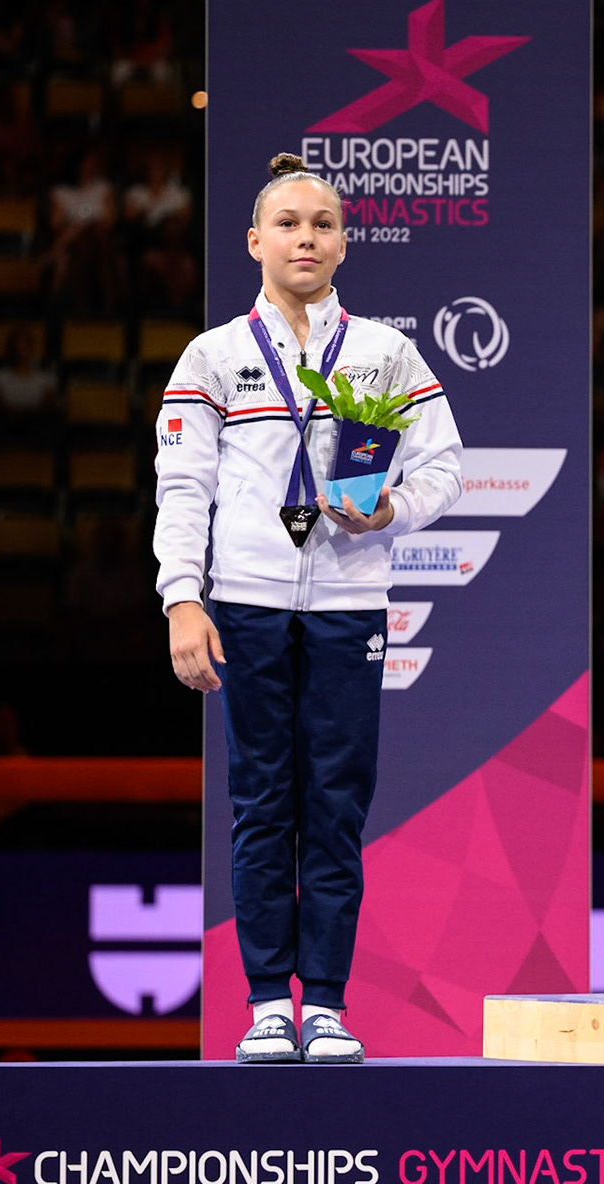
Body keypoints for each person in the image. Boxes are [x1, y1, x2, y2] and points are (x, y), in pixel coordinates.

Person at [153, 153, 462, 1062]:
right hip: (245, 604)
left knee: (335, 802)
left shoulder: (382, 352)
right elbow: (182, 486)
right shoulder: (212, 355)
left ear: (343, 243)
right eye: (288, 224)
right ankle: (264, 1003)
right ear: (255, 242)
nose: (305, 238)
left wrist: (390, 508)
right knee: (261, 802)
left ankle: (323, 1000)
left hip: (349, 603)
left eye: (322, 224)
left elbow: (443, 466)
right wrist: (181, 598)